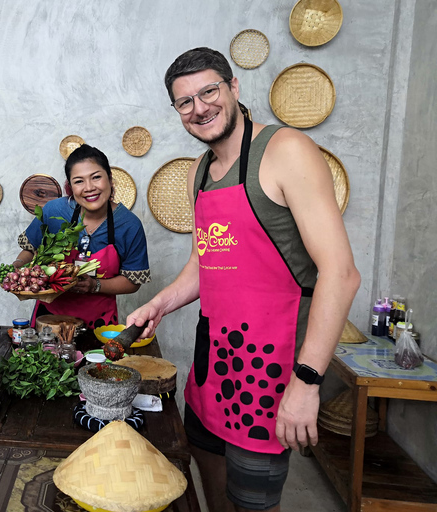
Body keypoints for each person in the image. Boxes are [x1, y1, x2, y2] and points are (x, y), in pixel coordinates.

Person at [127, 48, 360, 512]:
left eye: (209, 91)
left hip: (271, 367)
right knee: (211, 486)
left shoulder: (287, 150)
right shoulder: (199, 173)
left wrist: (307, 380)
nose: (200, 107)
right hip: (213, 358)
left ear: (234, 88)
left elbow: (342, 274)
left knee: (253, 501)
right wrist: (160, 303)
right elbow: (204, 262)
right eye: (185, 102)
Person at [14, 144, 150, 329]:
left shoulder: (129, 225)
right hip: (49, 322)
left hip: (100, 324)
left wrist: (95, 285)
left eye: (96, 177)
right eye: (79, 181)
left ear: (110, 179)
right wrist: (17, 269)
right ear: (70, 187)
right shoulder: (54, 211)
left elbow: (133, 282)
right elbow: (29, 250)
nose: (89, 188)